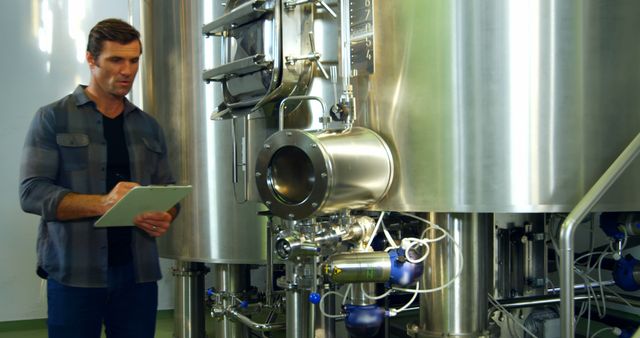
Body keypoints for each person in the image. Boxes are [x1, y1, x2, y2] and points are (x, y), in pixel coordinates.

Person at [19, 18, 177, 338]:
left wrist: (166, 214)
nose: (127, 70)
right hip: (75, 274)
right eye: (116, 60)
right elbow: (32, 192)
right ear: (91, 60)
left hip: (137, 274)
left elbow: (168, 189)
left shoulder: (148, 126)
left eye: (134, 60)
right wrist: (102, 203)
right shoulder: (53, 117)